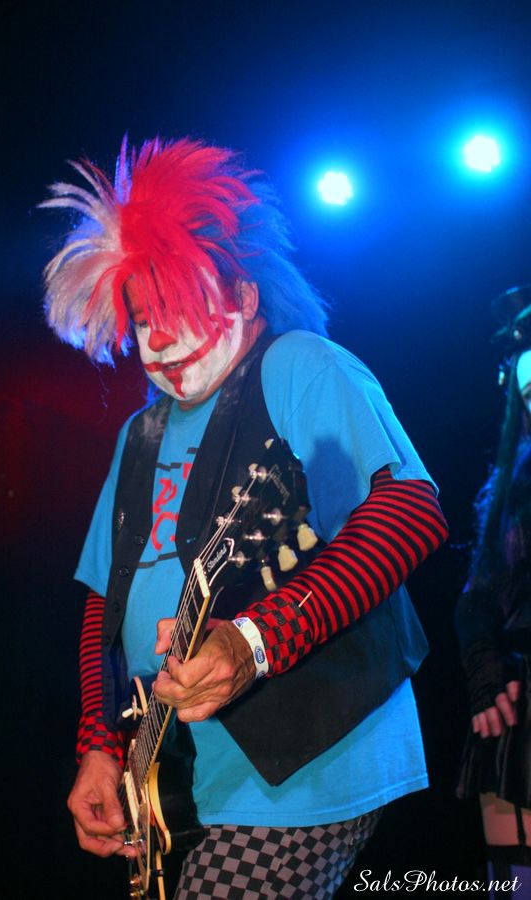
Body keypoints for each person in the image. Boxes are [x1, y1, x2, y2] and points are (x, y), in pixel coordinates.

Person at [41, 136, 448, 899]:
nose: (158, 338)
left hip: (312, 758)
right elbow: (104, 605)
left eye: (176, 308)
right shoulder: (139, 434)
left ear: (243, 297)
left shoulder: (299, 364)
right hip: (180, 776)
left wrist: (255, 640)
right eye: (142, 319)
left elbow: (408, 511)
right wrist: (99, 744)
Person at [455, 285, 531, 898]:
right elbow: (476, 600)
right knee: (514, 883)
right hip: (520, 715)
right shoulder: (515, 486)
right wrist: (485, 667)